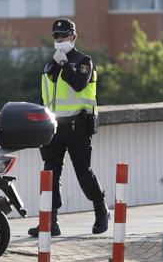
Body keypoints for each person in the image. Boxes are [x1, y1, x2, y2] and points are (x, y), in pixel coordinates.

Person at [28, 19, 110, 238]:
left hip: (78, 126)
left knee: (83, 173)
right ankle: (50, 222)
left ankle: (101, 210)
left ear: (73, 37)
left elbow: (79, 84)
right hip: (54, 128)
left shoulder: (84, 61)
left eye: (64, 36)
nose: (60, 40)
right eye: (56, 36)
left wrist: (64, 65)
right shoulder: (50, 65)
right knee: (50, 174)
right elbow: (44, 99)